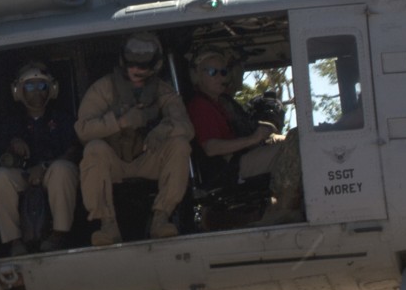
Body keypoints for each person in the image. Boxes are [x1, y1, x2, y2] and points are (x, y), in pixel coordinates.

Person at [76, 34, 194, 242]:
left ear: (155, 66)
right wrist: (119, 122)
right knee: (93, 149)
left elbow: (186, 127)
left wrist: (164, 129)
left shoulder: (163, 91)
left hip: (148, 157)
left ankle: (161, 218)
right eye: (131, 65)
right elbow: (83, 129)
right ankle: (107, 224)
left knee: (180, 145)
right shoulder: (104, 88)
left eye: (143, 66)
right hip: (114, 161)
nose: (136, 71)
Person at [184, 47, 298, 228]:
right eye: (213, 72)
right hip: (230, 168)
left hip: (240, 158)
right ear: (198, 76)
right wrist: (253, 139)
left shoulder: (220, 102)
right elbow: (211, 148)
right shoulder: (200, 106)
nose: (221, 78)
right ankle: (282, 208)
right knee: (294, 150)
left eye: (223, 72)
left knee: (295, 138)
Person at [0, 61, 80, 254]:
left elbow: (73, 150)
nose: (36, 92)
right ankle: (14, 241)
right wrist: (12, 145)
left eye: (42, 86)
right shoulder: (9, 122)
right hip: (22, 175)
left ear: (51, 89)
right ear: (19, 90)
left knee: (63, 170)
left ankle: (58, 235)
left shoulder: (63, 119)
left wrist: (45, 167)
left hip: (50, 173)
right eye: (29, 86)